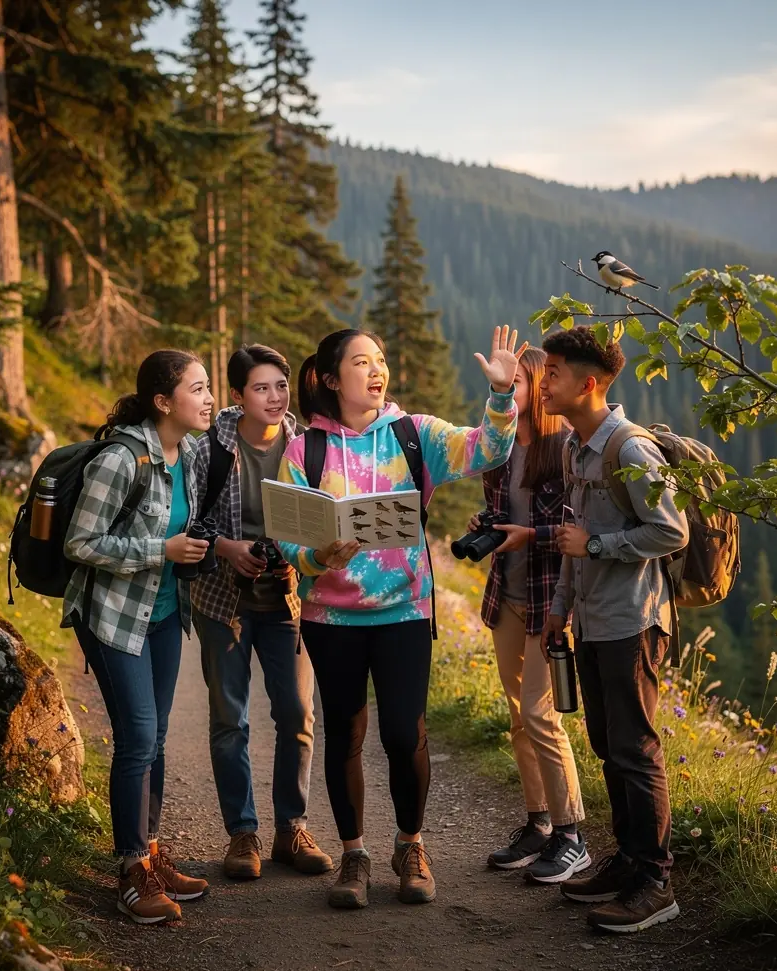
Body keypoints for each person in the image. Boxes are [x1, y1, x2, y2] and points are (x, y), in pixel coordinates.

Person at [276, 325, 524, 910]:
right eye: (361, 362)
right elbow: (289, 539)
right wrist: (317, 556)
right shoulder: (304, 449)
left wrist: (500, 394)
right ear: (333, 379)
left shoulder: (416, 435)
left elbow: (488, 449)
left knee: (403, 733)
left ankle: (410, 845)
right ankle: (354, 855)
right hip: (330, 618)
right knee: (345, 734)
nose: (376, 370)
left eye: (381, 360)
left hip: (405, 613)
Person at [538, 326, 688, 934]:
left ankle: (655, 882)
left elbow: (671, 531)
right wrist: (559, 605)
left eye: (552, 372)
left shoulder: (629, 448)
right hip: (594, 621)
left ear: (588, 383)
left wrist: (598, 544)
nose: (543, 382)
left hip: (633, 620)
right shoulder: (578, 447)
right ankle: (627, 862)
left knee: (635, 748)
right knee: (607, 743)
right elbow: (576, 540)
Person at [62, 350, 213, 926]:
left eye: (208, 388)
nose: (207, 398)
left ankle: (149, 853)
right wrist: (161, 551)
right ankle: (129, 871)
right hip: (113, 616)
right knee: (137, 737)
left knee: (156, 737)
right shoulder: (122, 460)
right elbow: (81, 544)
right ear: (162, 401)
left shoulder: (190, 450)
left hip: (167, 614)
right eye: (196, 390)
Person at [191, 344, 332, 881]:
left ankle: (290, 828)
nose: (274, 398)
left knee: (297, 715)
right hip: (221, 600)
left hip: (288, 598)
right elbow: (186, 518)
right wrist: (228, 548)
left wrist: (300, 559)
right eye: (260, 388)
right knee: (231, 719)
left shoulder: (305, 446)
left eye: (280, 386)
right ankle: (242, 833)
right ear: (236, 396)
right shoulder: (209, 449)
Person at [473, 346, 588, 881]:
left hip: (549, 602)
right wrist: (487, 526)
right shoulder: (499, 450)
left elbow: (574, 529)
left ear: (541, 389)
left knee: (543, 716)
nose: (508, 391)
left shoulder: (564, 448)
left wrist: (528, 535)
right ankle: (538, 824)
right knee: (520, 715)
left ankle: (572, 834)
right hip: (508, 598)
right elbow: (501, 514)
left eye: (516, 382)